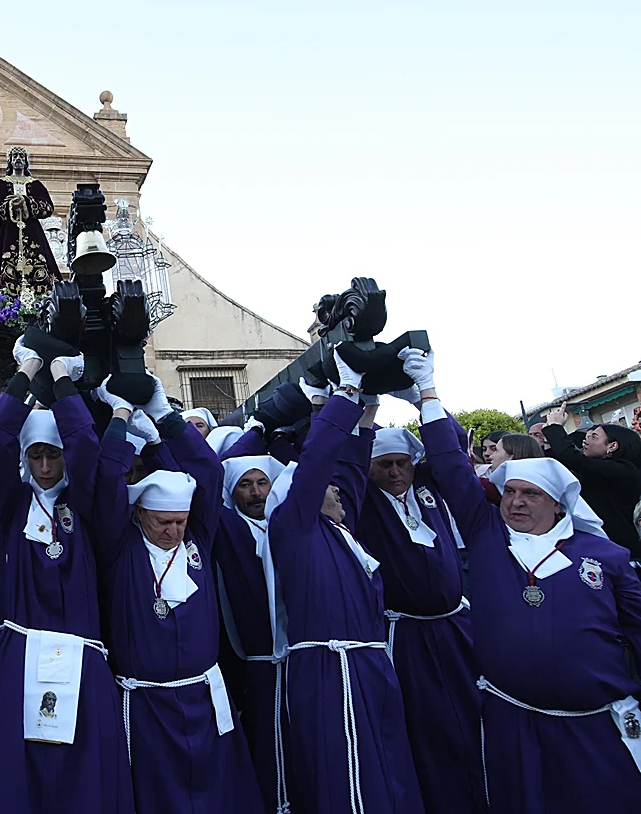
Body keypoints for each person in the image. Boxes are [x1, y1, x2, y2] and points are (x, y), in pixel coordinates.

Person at [410, 348, 641, 813]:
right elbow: (452, 469)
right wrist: (427, 396)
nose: (516, 502)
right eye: (510, 492)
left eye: (530, 494)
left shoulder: (606, 556)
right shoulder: (487, 535)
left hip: (594, 727)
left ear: (557, 503)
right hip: (511, 722)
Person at [0, 339, 133, 814]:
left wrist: (62, 380)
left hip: (81, 657)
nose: (44, 467)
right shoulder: (10, 505)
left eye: (53, 456)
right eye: (35, 455)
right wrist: (27, 370)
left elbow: (87, 447)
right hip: (18, 656)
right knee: (15, 775)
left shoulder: (87, 507)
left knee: (82, 776)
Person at [92, 376, 264, 814]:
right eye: (162, 523)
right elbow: (106, 480)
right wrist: (120, 417)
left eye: (179, 522)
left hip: (203, 696)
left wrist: (165, 415)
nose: (172, 532)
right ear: (139, 513)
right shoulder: (120, 547)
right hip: (146, 703)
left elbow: (209, 471)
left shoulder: (197, 540)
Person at [266, 356, 425, 814]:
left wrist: (367, 410)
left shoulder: (341, 530)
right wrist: (345, 395)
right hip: (329, 668)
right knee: (349, 775)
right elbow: (317, 462)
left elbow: (350, 469)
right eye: (326, 487)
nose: (336, 490)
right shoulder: (294, 529)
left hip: (370, 663)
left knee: (389, 763)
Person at [354, 423, 484, 814]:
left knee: (473, 710)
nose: (396, 472)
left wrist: (423, 400)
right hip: (404, 633)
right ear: (368, 467)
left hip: (454, 625)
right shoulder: (362, 497)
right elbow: (342, 459)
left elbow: (452, 446)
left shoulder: (427, 484)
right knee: (423, 724)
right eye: (384, 465)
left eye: (402, 463)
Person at [214, 423, 295, 814]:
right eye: (245, 485)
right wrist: (256, 430)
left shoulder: (288, 527)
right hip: (256, 668)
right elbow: (207, 474)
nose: (256, 492)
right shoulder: (228, 528)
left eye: (263, 482)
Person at [543, 404, 641, 561]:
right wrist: (549, 441)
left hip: (622, 550)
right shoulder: (596, 471)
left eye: (593, 437)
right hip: (600, 547)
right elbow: (562, 467)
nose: (585, 441)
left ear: (612, 446)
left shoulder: (624, 470)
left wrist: (555, 427)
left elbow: (572, 458)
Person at [0, 147, 61, 297]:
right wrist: (10, 205)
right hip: (7, 234)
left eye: (21, 156)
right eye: (15, 156)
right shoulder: (0, 185)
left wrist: (26, 202)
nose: (18, 159)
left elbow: (48, 207)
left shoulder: (36, 185)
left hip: (33, 233)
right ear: (10, 161)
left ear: (26, 161)